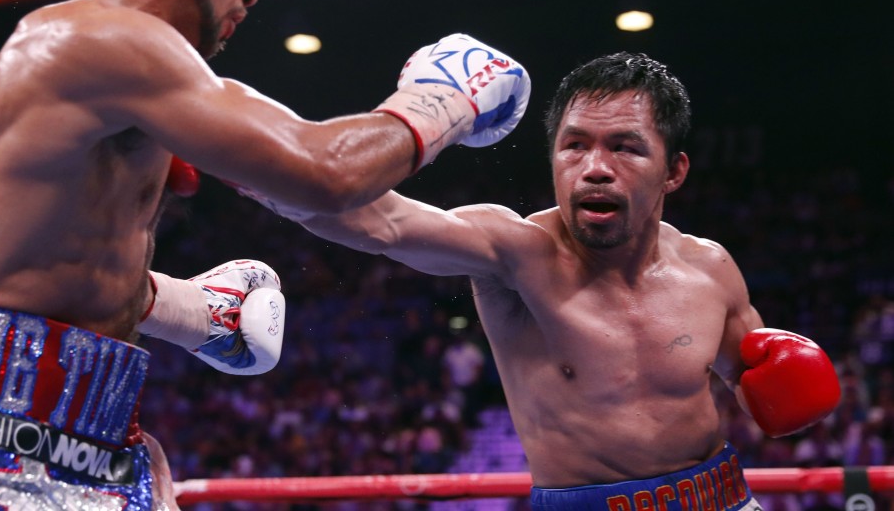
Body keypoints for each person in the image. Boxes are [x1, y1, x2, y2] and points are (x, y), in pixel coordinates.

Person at [0, 0, 530, 510]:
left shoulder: (161, 85)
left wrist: (187, 311)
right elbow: (325, 171)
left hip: (91, 442)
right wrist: (446, 98)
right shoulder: (91, 41)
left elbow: (359, 208)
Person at [295, 53, 842, 510]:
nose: (594, 168)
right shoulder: (513, 253)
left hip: (724, 498)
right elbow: (376, 223)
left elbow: (758, 395)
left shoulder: (711, 267)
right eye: (574, 145)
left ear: (673, 171)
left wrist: (788, 393)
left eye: (624, 147)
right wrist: (245, 162)